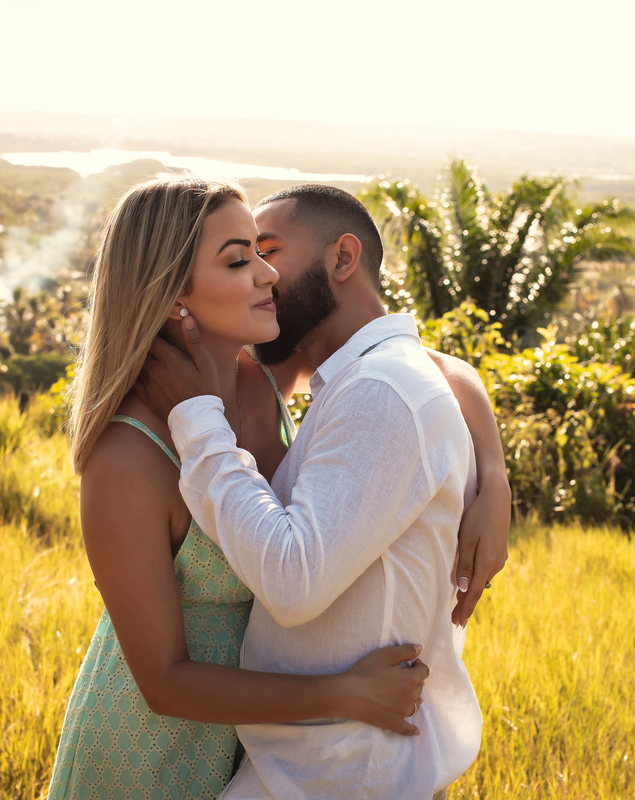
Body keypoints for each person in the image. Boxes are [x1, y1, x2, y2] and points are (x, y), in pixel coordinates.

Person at [48, 176, 508, 800]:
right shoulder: (127, 456)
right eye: (241, 259)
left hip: (263, 749)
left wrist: (493, 476)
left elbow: (415, 365)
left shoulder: (261, 377)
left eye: (265, 253)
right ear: (172, 293)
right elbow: (163, 681)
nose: (266, 274)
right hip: (153, 749)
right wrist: (343, 695)